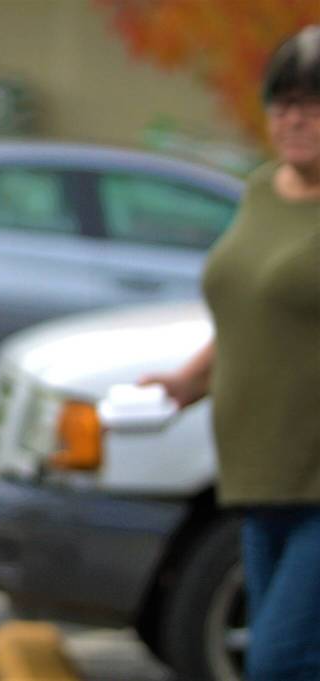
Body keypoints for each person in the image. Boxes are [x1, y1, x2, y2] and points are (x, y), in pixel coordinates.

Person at [140, 25, 320, 681]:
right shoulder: (262, 191)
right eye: (283, 100)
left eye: (313, 101)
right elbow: (255, 313)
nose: (294, 116)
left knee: (278, 661)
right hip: (256, 475)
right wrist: (188, 382)